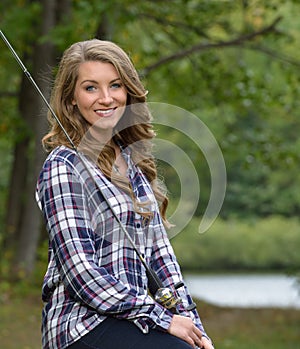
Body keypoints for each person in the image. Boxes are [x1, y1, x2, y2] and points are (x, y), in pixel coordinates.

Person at [36, 39, 214, 349]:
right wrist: (162, 318)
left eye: (115, 85)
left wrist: (195, 330)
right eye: (91, 88)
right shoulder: (64, 165)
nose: (106, 98)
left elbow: (162, 260)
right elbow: (81, 275)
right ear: (71, 98)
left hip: (136, 323)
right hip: (82, 325)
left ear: (128, 92)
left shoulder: (133, 164)